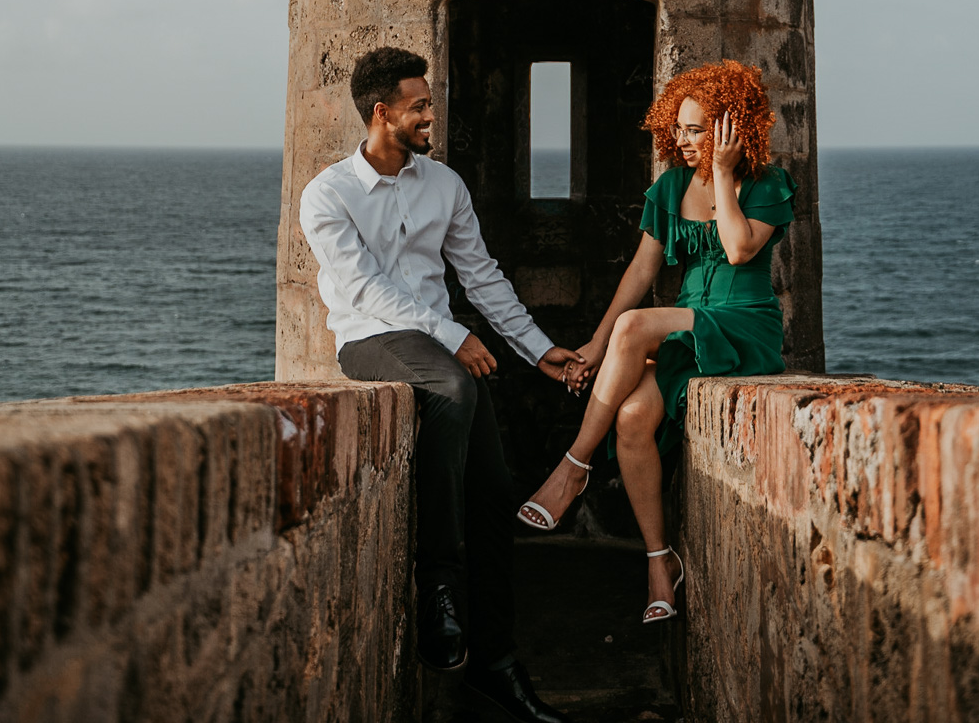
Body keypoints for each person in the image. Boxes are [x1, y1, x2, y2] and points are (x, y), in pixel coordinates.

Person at [299, 45, 580, 723]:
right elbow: (363, 288)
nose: (432, 114)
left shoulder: (445, 186)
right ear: (382, 112)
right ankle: (438, 585)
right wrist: (453, 335)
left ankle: (496, 664)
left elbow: (481, 276)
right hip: (370, 341)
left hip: (437, 346)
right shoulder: (326, 195)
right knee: (454, 388)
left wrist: (537, 348)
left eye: (430, 103)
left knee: (494, 492)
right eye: (420, 105)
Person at [517, 59, 796, 625]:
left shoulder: (769, 184)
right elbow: (641, 273)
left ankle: (573, 468)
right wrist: (596, 347)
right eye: (681, 127)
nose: (683, 139)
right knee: (634, 416)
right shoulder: (669, 186)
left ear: (730, 126)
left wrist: (722, 173)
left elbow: (740, 251)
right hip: (690, 324)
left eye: (698, 129)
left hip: (744, 325)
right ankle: (658, 561)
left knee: (634, 327)